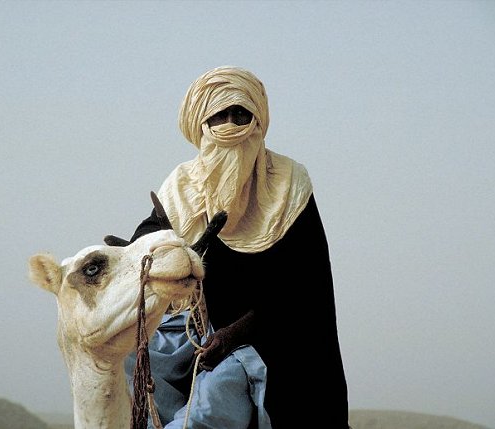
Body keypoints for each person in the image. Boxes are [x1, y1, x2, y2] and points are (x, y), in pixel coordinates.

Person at [128, 66, 349, 428]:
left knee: (204, 414)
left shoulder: (289, 185)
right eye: (219, 116)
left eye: (240, 115)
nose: (230, 126)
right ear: (202, 125)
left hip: (267, 342)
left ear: (257, 122)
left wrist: (233, 334)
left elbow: (305, 286)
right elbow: (146, 243)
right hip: (196, 333)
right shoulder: (182, 185)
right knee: (132, 363)